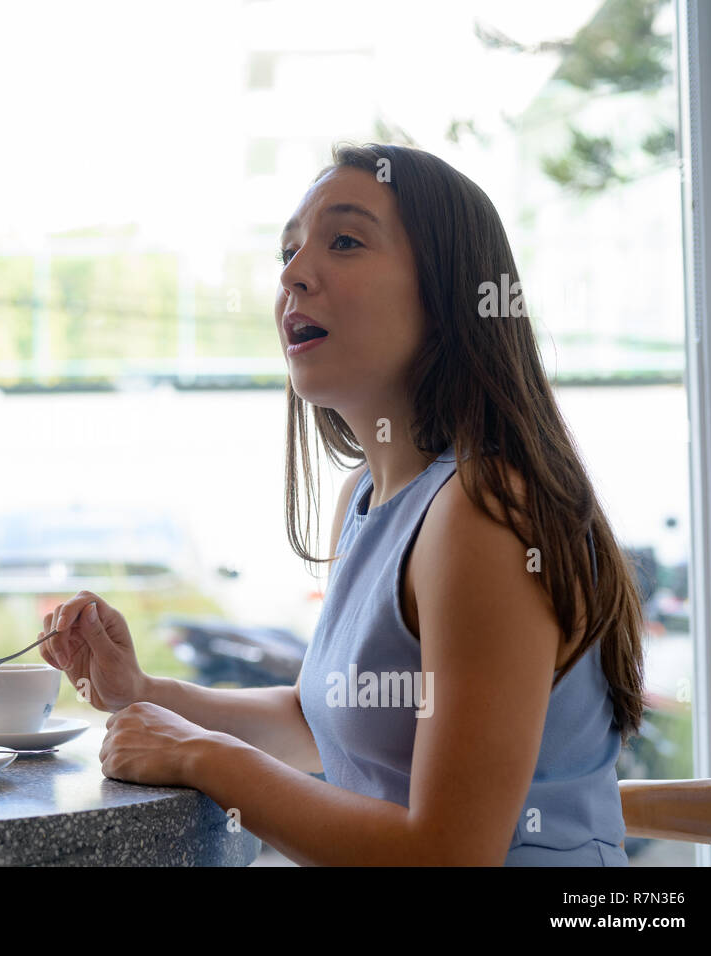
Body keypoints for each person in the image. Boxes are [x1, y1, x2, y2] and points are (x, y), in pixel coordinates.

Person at [38, 142, 647, 866]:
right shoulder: (370, 496)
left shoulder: (483, 514)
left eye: (346, 241)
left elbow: (448, 855)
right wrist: (144, 691)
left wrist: (206, 759)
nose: (294, 274)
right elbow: (318, 717)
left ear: (449, 291)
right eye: (288, 252)